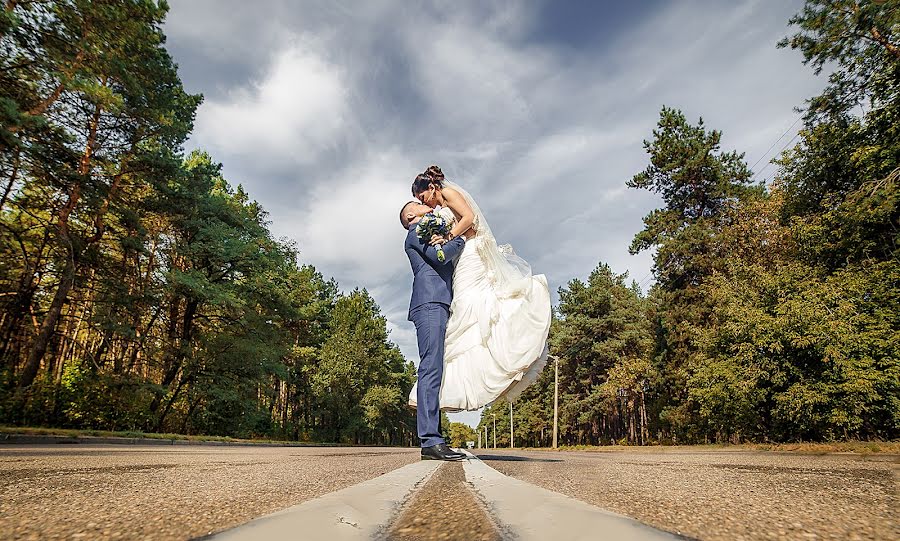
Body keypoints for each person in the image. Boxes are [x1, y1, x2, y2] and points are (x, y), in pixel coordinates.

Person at [407, 165, 552, 412]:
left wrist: (449, 236)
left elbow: (469, 218)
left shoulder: (449, 192)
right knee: (464, 307)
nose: (426, 204)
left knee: (469, 304)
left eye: (422, 198)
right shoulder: (439, 209)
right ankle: (459, 385)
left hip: (471, 252)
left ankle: (494, 359)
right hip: (461, 254)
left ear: (431, 188)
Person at [400, 200, 468, 461]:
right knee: (430, 368)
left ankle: (434, 437)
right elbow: (440, 256)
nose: (422, 204)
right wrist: (460, 239)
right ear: (410, 215)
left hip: (438, 303)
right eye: (416, 204)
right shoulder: (416, 231)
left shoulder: (427, 231)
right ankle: (430, 441)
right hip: (429, 303)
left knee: (436, 368)